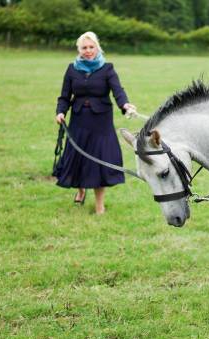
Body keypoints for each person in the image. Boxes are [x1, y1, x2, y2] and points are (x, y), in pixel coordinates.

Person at [54, 31, 136, 215]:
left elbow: (118, 91)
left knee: (99, 162)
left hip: (101, 122)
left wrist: (125, 105)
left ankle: (100, 205)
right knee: (79, 158)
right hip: (79, 120)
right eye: (84, 48)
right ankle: (81, 190)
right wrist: (60, 111)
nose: (88, 51)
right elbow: (65, 96)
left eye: (92, 47)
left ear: (97, 48)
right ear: (79, 49)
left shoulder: (107, 68)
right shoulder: (71, 69)